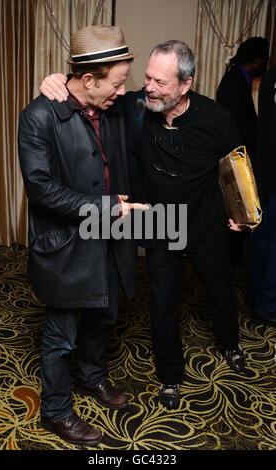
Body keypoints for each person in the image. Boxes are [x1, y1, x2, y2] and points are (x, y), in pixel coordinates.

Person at [40, 39, 246, 411]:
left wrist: (243, 213)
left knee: (220, 292)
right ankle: (170, 376)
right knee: (163, 303)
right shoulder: (134, 106)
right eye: (147, 78)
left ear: (186, 84)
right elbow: (85, 91)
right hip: (160, 223)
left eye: (160, 82)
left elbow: (238, 167)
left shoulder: (216, 118)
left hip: (205, 222)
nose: (148, 87)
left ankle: (230, 342)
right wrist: (54, 79)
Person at [18, 25, 148, 447]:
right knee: (61, 335)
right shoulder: (38, 115)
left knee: (105, 316)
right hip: (66, 245)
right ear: (89, 79)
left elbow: (162, 99)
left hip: (109, 238)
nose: (122, 91)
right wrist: (107, 207)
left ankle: (92, 377)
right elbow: (40, 188)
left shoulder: (114, 106)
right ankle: (56, 410)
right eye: (116, 82)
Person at [216, 37, 269, 266]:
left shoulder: (239, 78)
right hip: (235, 161)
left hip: (239, 158)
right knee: (235, 213)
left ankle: (232, 259)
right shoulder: (234, 80)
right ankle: (229, 260)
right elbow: (230, 123)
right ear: (257, 61)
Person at [248, 64, 276, 326]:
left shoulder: (271, 75)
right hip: (271, 175)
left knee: (264, 240)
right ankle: (266, 303)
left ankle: (256, 296)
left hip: (266, 172)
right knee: (270, 244)